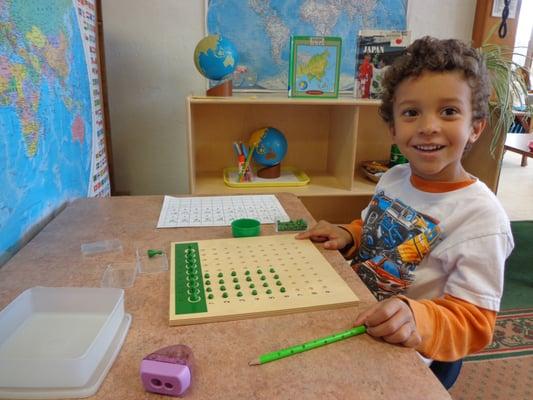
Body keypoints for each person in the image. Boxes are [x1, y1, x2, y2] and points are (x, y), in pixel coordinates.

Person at [297, 36, 514, 389]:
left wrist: (418, 317)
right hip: (359, 313)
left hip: (414, 353)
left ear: (475, 126)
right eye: (412, 112)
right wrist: (349, 233)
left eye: (448, 111)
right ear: (393, 128)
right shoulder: (395, 177)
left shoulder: (483, 220)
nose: (428, 125)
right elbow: (372, 227)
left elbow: (476, 323)